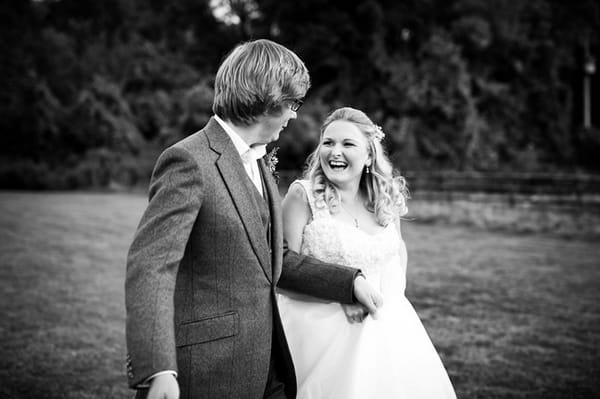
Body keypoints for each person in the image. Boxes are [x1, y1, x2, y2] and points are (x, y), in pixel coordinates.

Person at [124, 40, 383, 399]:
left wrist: (348, 283)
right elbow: (151, 266)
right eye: (292, 104)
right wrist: (158, 369)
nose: (294, 115)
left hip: (267, 366)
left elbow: (272, 259)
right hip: (207, 371)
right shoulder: (188, 160)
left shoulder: (258, 163)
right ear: (267, 98)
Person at [278, 107, 457, 398]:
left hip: (386, 329)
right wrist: (341, 293)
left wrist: (393, 304)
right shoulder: (303, 196)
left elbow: (397, 252)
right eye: (328, 142)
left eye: (348, 144)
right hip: (318, 335)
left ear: (370, 155)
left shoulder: (385, 199)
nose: (335, 152)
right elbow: (283, 273)